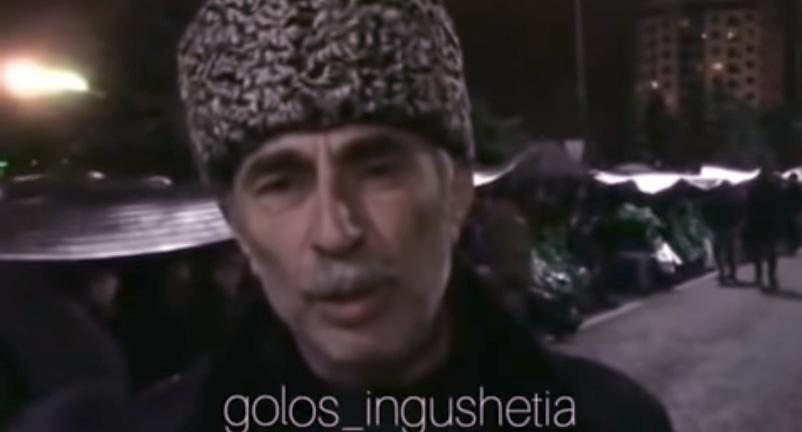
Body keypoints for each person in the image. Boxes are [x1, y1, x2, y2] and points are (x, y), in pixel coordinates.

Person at [742, 170, 785, 290]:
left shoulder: (752, 189)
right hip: (770, 222)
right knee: (771, 250)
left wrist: (747, 221)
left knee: (758, 251)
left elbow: (747, 206)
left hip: (756, 222)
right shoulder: (773, 188)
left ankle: (759, 276)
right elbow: (779, 206)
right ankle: (771, 276)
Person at [700, 182, 745, 285]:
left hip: (718, 227)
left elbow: (705, 211)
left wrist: (710, 223)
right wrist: (739, 222)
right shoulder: (734, 197)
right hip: (731, 226)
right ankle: (732, 274)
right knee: (731, 252)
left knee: (719, 252)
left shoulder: (713, 198)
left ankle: (722, 273)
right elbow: (741, 210)